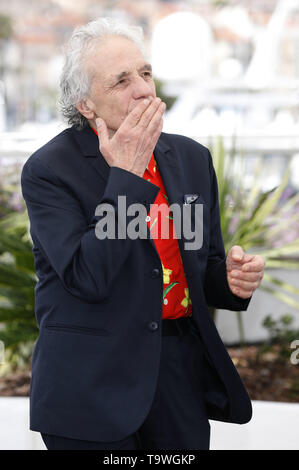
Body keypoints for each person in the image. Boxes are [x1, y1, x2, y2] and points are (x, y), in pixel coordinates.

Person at [21, 17, 265, 450]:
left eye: (145, 73)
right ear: (86, 105)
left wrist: (228, 280)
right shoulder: (49, 171)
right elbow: (89, 277)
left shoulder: (190, 158)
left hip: (176, 377)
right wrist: (128, 176)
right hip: (89, 387)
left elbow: (198, 264)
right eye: (120, 81)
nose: (143, 89)